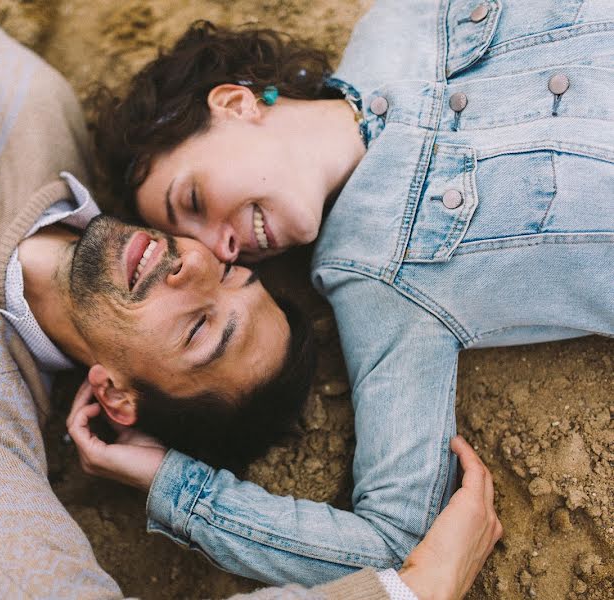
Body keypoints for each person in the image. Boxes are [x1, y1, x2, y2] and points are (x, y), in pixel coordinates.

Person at [0, 2, 501, 599]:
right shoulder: (38, 115)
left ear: (116, 397)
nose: (191, 267)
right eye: (232, 272)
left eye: (198, 332)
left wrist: (404, 592)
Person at [81, 0, 614, 592]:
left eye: (194, 201)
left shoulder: (399, 20)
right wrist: (173, 485)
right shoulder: (375, 283)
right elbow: (392, 540)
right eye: (196, 242)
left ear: (235, 104)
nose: (219, 251)